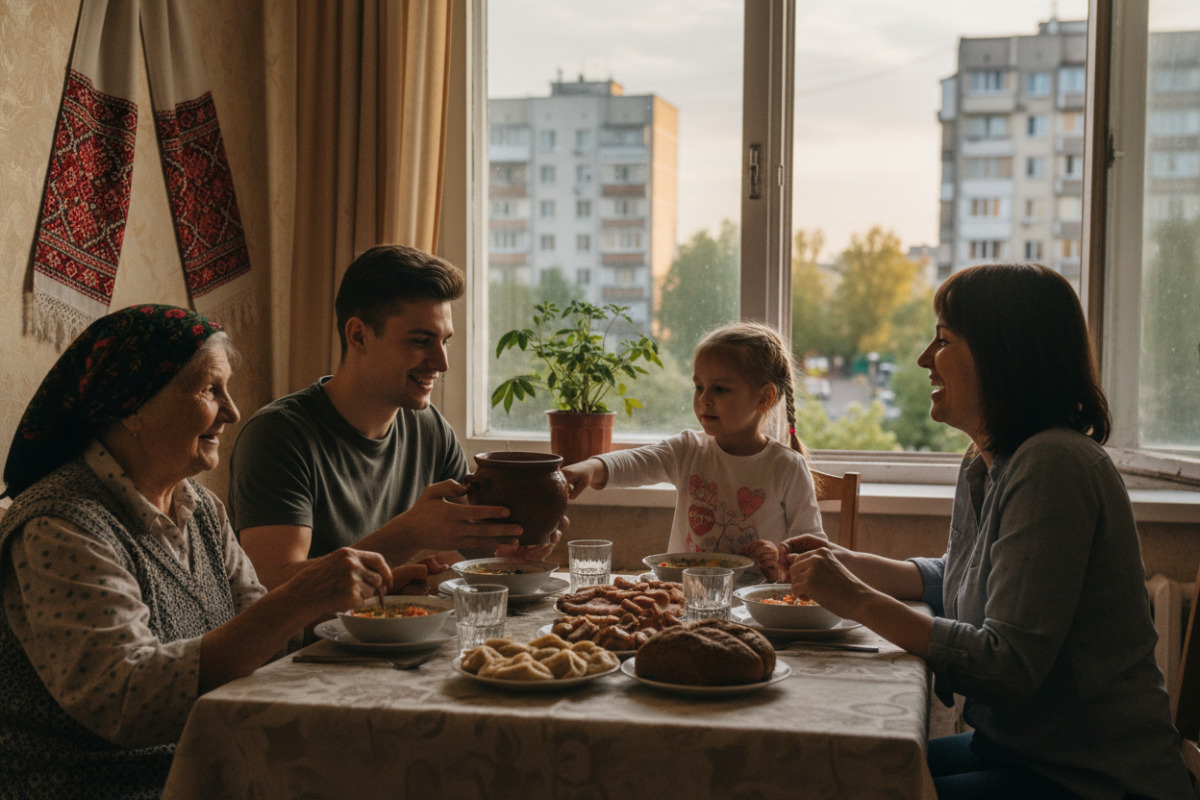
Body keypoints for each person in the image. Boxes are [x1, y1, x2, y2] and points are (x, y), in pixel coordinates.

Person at [780, 263, 1192, 800]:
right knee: (839, 765)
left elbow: (1006, 665)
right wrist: (844, 563)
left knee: (851, 782)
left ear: (1004, 356)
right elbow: (958, 575)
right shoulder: (989, 461)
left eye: (944, 340)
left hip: (1092, 778)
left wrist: (854, 598)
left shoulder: (1055, 465)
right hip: (1023, 754)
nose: (925, 358)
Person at [0, 304, 417, 799]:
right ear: (131, 407)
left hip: (212, 764)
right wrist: (298, 598)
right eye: (209, 389)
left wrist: (365, 608)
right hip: (106, 786)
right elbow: (124, 699)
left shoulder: (198, 507)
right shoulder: (59, 524)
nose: (233, 410)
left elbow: (264, 639)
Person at [229, 244, 558, 590]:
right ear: (358, 335)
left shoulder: (430, 428)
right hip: (310, 646)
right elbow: (272, 591)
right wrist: (407, 535)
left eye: (445, 341)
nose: (441, 362)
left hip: (407, 636)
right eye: (420, 341)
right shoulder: (277, 436)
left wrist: (514, 549)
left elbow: (473, 544)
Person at [561, 321, 825, 581]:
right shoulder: (688, 450)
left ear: (764, 397)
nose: (703, 399)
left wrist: (779, 564)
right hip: (683, 600)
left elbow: (812, 552)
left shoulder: (786, 466)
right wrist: (590, 468)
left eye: (720, 389)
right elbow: (637, 461)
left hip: (750, 610)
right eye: (699, 387)